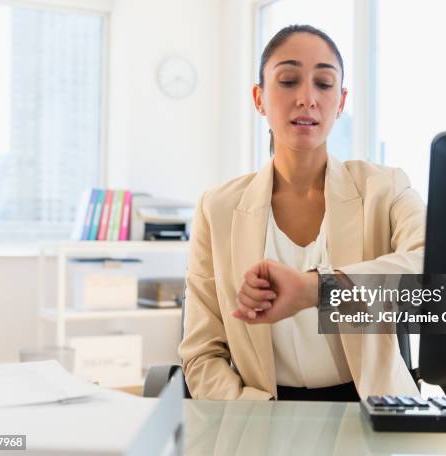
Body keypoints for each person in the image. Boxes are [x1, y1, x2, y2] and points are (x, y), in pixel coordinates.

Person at [178, 24, 425, 401]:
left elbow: (436, 272)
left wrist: (316, 289)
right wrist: (251, 417)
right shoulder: (218, 207)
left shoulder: (385, 188)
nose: (307, 98)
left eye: (324, 84)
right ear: (259, 98)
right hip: (262, 412)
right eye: (289, 80)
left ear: (341, 102)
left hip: (372, 409)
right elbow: (201, 354)